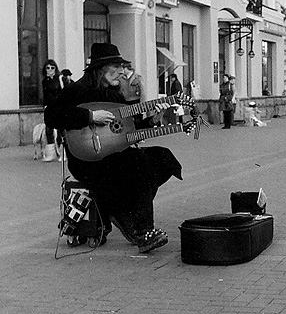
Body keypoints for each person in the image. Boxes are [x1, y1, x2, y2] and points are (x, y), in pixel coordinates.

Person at [44, 43, 183, 254]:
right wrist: (90, 116)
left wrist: (151, 120)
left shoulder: (114, 95)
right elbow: (51, 116)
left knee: (162, 158)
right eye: (116, 66)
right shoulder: (76, 90)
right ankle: (142, 230)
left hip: (115, 153)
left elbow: (125, 130)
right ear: (101, 68)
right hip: (86, 159)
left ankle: (123, 212)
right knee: (139, 163)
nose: (121, 71)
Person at [41, 59, 62, 162]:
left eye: (52, 68)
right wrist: (44, 105)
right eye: (47, 68)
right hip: (49, 107)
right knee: (48, 129)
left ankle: (61, 152)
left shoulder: (60, 79)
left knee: (59, 130)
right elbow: (45, 95)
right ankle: (50, 154)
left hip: (58, 107)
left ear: (55, 69)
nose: (50, 70)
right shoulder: (45, 81)